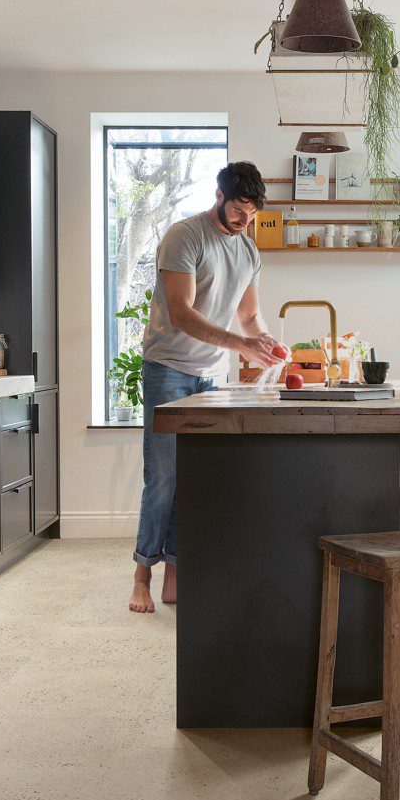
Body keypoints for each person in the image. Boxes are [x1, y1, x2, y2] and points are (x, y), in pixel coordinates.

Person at [129, 160, 279, 613]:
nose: (244, 221)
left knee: (195, 478)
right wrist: (241, 346)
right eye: (238, 210)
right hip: (169, 368)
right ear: (219, 195)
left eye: (252, 213)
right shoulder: (185, 236)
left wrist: (265, 341)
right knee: (163, 478)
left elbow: (249, 317)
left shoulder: (249, 252)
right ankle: (141, 577)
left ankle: (176, 575)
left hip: (210, 376)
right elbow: (182, 313)